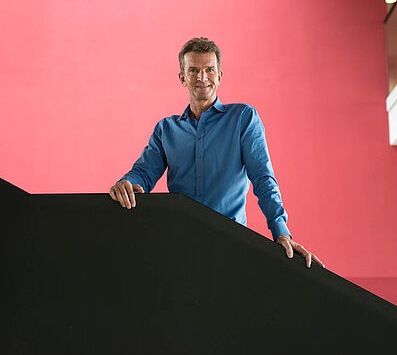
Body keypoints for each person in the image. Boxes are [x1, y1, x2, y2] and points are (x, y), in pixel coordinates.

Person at [109, 37, 323, 268]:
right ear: (182, 77)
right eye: (193, 70)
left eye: (209, 70)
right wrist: (127, 183)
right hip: (180, 246)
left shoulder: (243, 119)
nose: (202, 77)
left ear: (220, 76)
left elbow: (263, 178)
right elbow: (143, 174)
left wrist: (281, 232)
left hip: (231, 246)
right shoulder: (166, 129)